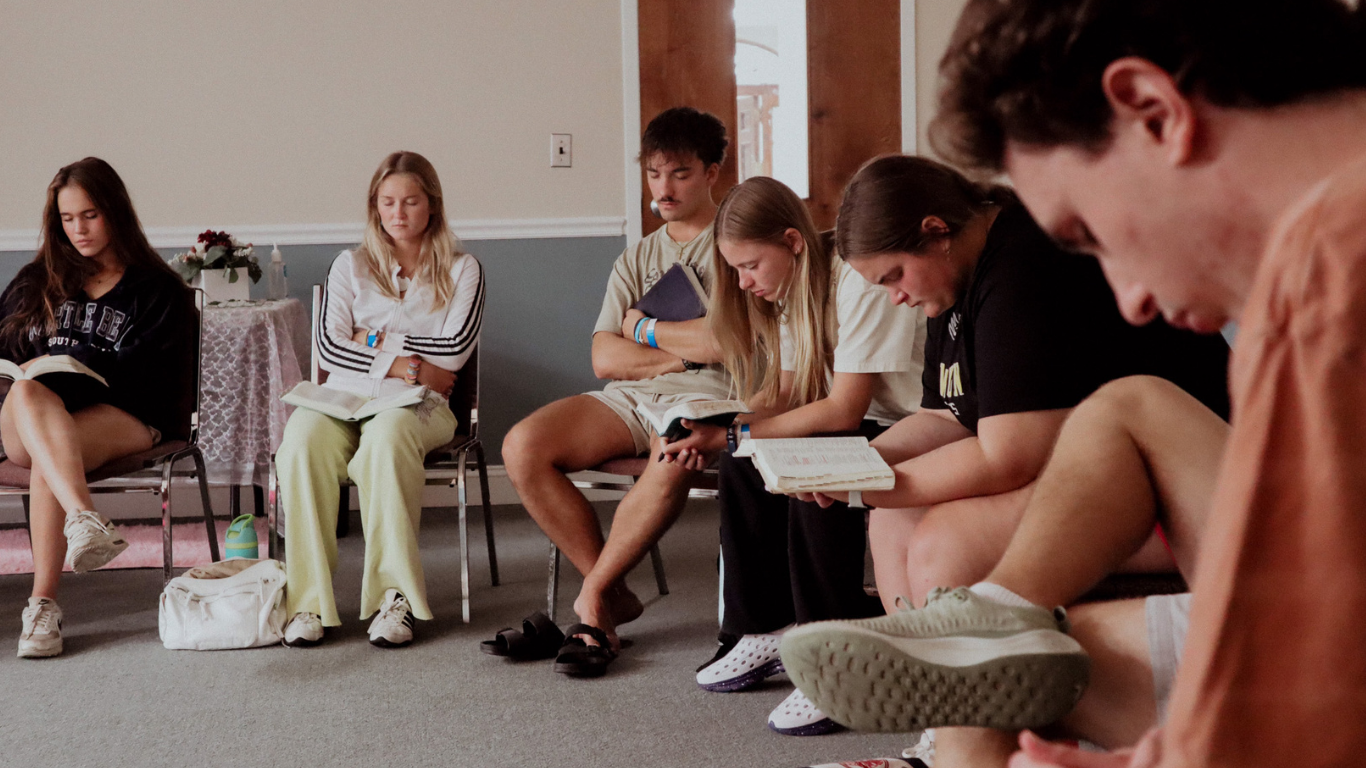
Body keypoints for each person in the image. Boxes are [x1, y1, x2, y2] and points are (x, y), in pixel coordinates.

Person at [779, 1, 1366, 767]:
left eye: (1091, 236)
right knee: (1128, 410)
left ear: (1154, 112)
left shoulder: (1331, 266)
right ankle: (991, 619)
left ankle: (983, 645)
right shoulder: (1311, 263)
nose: (1132, 300)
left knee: (1002, 677)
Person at [797, 155, 1229, 610]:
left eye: (895, 276)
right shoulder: (954, 282)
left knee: (944, 546)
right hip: (1104, 474)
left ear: (936, 231)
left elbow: (1007, 458)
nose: (896, 297)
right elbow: (943, 417)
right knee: (891, 522)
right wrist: (846, 464)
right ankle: (923, 668)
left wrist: (864, 483)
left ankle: (958, 675)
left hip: (1186, 489)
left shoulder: (1023, 266)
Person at [657, 177, 924, 734]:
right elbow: (783, 394)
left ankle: (832, 657)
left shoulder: (855, 279)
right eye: (734, 269)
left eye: (750, 265)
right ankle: (768, 627)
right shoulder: (788, 289)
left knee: (811, 463)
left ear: (792, 242)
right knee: (744, 461)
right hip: (860, 416)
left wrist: (740, 436)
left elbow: (844, 409)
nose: (742, 281)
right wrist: (724, 428)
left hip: (913, 421)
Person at [500, 107, 732, 664]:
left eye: (678, 172)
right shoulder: (639, 255)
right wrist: (677, 357)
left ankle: (592, 603)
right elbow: (604, 356)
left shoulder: (737, 242)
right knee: (522, 445)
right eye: (654, 174)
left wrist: (647, 332)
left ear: (711, 173)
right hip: (633, 395)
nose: (664, 187)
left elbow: (730, 345)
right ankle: (613, 591)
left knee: (672, 446)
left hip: (714, 395)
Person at [276, 150, 484, 649]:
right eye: (388, 202)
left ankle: (397, 599)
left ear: (430, 205)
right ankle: (308, 603)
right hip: (343, 398)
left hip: (417, 406)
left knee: (385, 442)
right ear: (375, 207)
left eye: (410, 201)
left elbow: (453, 353)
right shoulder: (349, 265)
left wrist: (368, 339)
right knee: (301, 440)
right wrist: (403, 361)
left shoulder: (463, 269)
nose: (398, 213)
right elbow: (328, 347)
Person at [0, 157, 197, 658]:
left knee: (53, 455)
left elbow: (159, 377)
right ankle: (84, 517)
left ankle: (42, 607)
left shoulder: (157, 291)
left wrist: (77, 365)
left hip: (121, 417)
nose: (78, 229)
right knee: (27, 393)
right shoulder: (34, 282)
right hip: (24, 415)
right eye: (67, 219)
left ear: (114, 212)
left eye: (89, 215)